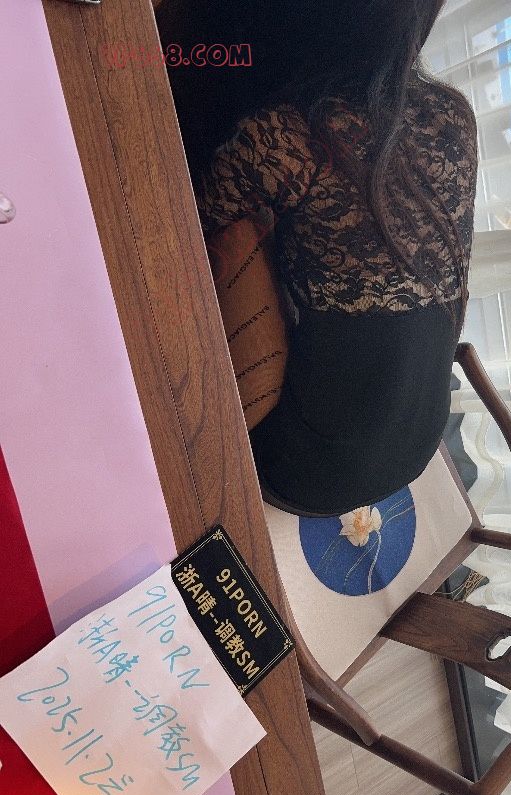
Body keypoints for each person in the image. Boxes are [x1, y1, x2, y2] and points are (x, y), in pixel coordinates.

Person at [158, 0, 479, 517]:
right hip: (418, 443)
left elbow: (188, 218)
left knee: (232, 233)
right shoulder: (452, 114)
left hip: (306, 464)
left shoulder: (287, 133)